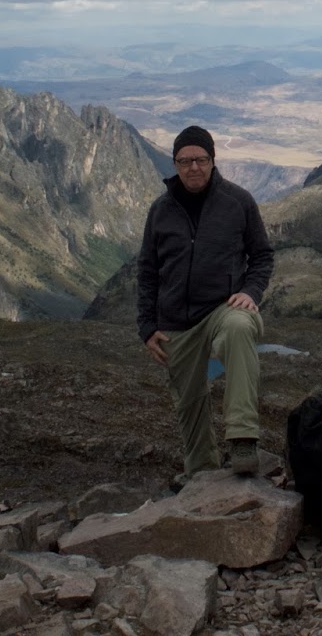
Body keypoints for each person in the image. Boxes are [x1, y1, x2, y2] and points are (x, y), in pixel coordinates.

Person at [136, 125, 274, 478]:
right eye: (185, 161)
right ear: (175, 164)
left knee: (240, 327)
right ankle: (201, 473)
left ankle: (243, 438)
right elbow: (148, 270)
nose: (193, 167)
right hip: (175, 320)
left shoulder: (238, 202)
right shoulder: (160, 210)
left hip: (221, 309)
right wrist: (147, 327)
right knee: (189, 402)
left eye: (200, 159)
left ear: (213, 161)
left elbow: (262, 256)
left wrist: (251, 292)